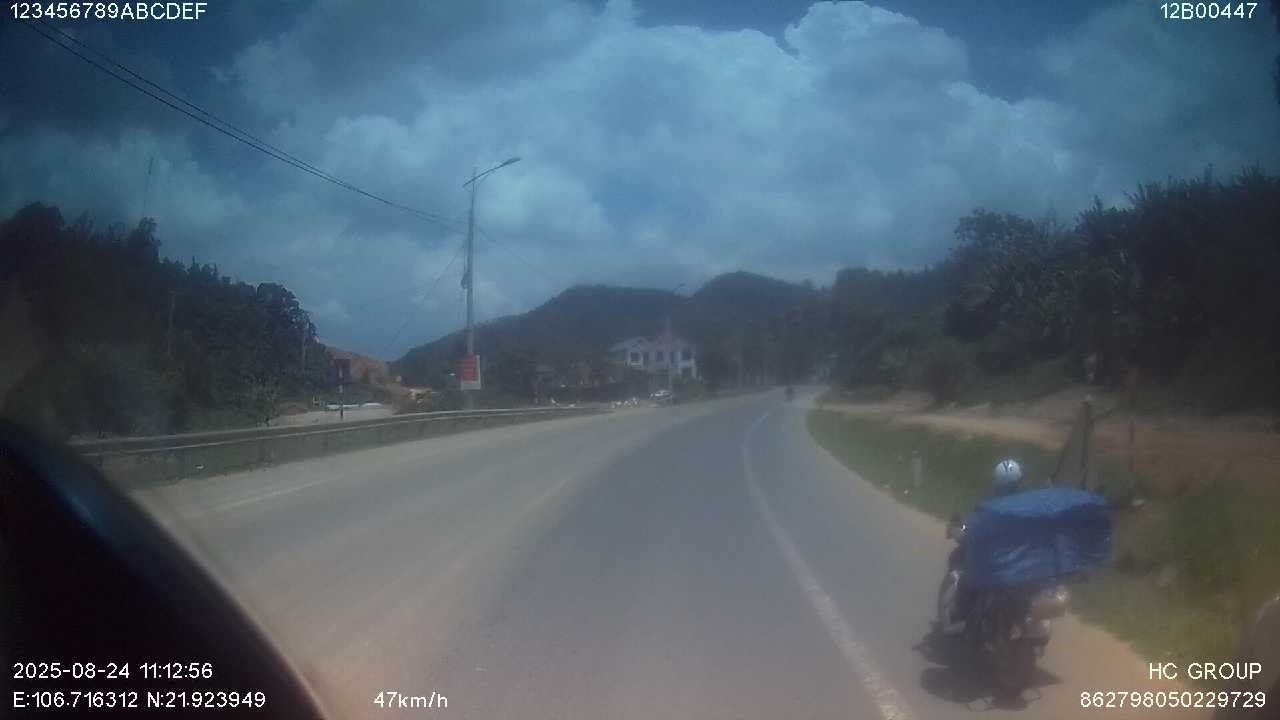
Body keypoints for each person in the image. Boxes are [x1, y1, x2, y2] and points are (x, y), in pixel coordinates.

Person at [938, 458, 1024, 632]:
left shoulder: (991, 506)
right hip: (1018, 560)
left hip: (994, 560)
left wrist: (960, 530)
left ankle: (958, 610)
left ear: (997, 485)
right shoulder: (1026, 504)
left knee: (960, 561)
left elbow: (974, 528)